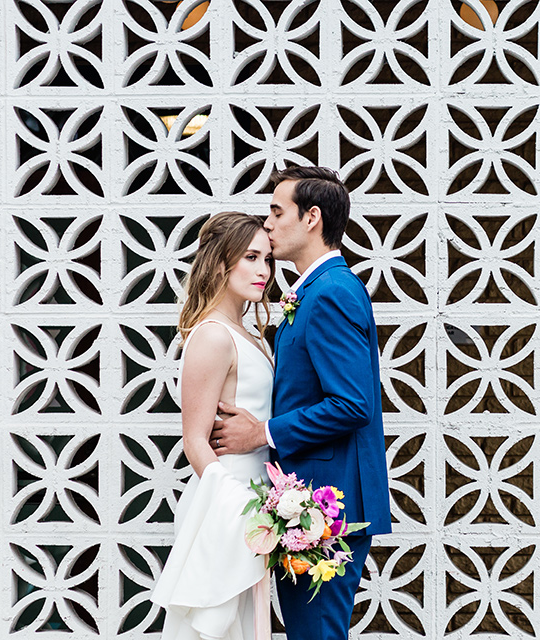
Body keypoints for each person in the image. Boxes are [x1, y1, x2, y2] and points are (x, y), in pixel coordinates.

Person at [209, 166, 391, 639]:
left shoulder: (330, 293)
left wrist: (263, 433)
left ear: (311, 218)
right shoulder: (311, 290)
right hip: (306, 505)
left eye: (276, 211)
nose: (267, 224)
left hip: (326, 508)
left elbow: (354, 404)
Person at [151, 211, 276, 640]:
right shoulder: (212, 336)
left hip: (256, 503)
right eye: (251, 257)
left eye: (268, 259)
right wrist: (239, 507)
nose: (264, 270)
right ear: (221, 261)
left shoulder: (249, 334)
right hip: (227, 505)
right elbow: (195, 441)